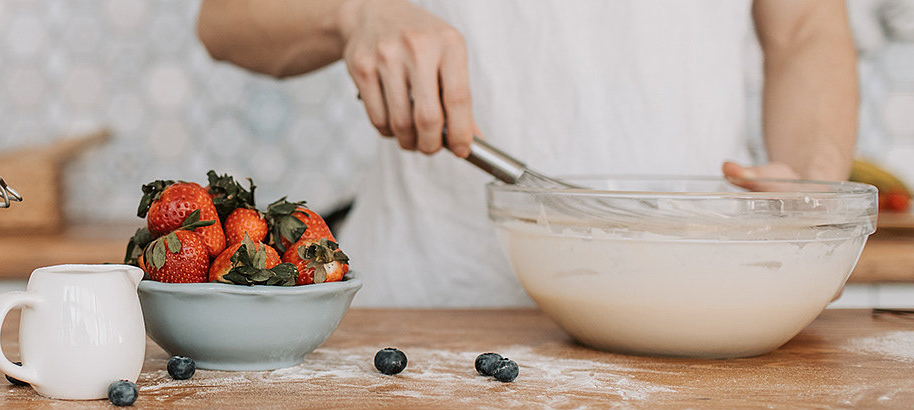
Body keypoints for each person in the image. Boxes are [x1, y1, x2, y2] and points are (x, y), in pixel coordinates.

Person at [196, 0, 858, 308]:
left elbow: (805, 27)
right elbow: (225, 19)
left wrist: (814, 186)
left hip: (698, 304)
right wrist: (353, 12)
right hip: (428, 315)